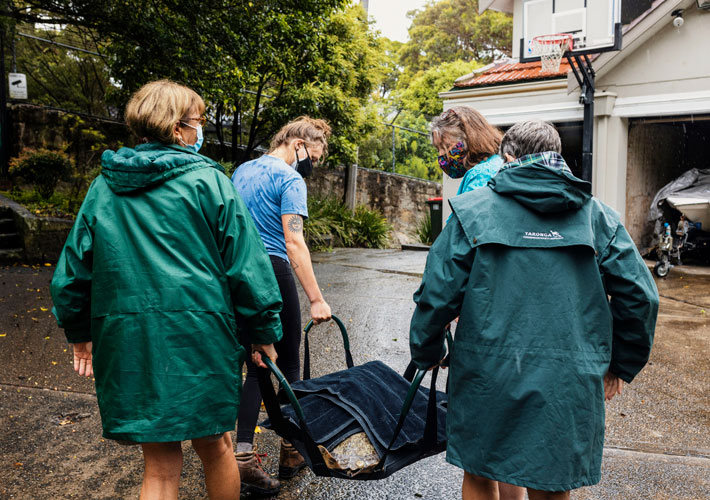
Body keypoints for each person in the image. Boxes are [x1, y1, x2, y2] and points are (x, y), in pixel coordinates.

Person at [50, 80, 283, 500]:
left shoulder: (104, 186)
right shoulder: (209, 181)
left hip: (130, 340)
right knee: (216, 445)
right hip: (202, 337)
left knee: (158, 464)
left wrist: (79, 333)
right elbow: (247, 266)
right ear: (178, 129)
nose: (201, 130)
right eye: (198, 122)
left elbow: (72, 271)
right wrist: (263, 330)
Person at [409, 120, 659, 500]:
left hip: (485, 374)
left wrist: (427, 351)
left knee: (480, 472)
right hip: (568, 379)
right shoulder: (598, 217)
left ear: (508, 157)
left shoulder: (470, 210)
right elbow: (642, 297)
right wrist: (620, 365)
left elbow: (436, 294)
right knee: (550, 480)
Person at [230, 116, 332, 495]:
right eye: (315, 156)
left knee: (255, 363)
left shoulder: (241, 171)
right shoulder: (290, 179)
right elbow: (294, 244)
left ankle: (241, 454)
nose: (313, 165)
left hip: (238, 274)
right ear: (299, 144)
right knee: (286, 361)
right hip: (272, 269)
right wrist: (316, 299)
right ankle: (293, 450)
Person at [433, 107, 524, 500]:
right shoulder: (510, 169)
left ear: (462, 139)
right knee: (512, 449)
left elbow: (458, 260)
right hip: (520, 314)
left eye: (442, 146)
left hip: (485, 319)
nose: (440, 156)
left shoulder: (477, 178)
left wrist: (434, 329)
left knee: (479, 455)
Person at [432, 106, 504, 197]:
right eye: (438, 149)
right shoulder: (497, 164)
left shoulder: (480, 175)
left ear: (470, 139)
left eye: (447, 146)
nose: (441, 154)